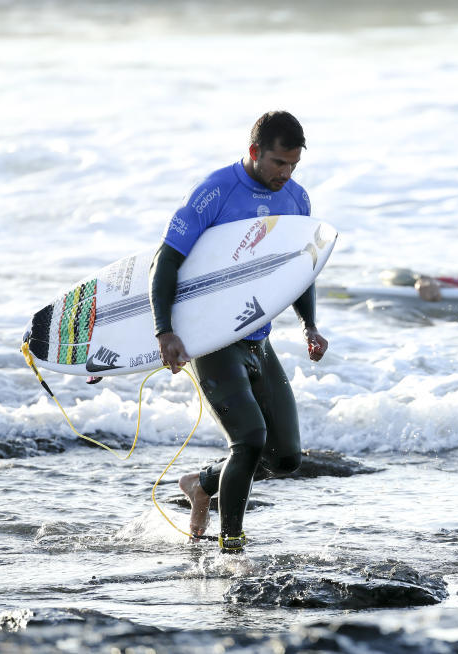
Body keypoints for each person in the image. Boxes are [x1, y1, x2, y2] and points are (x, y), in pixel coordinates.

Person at [148, 111, 328, 554]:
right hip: (213, 340)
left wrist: (310, 325)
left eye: (293, 165)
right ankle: (231, 548)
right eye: (277, 164)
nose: (285, 174)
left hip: (257, 340)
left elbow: (299, 271)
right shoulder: (216, 191)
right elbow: (165, 261)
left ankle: (200, 483)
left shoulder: (297, 200)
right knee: (248, 440)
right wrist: (164, 331)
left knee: (285, 458)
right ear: (253, 153)